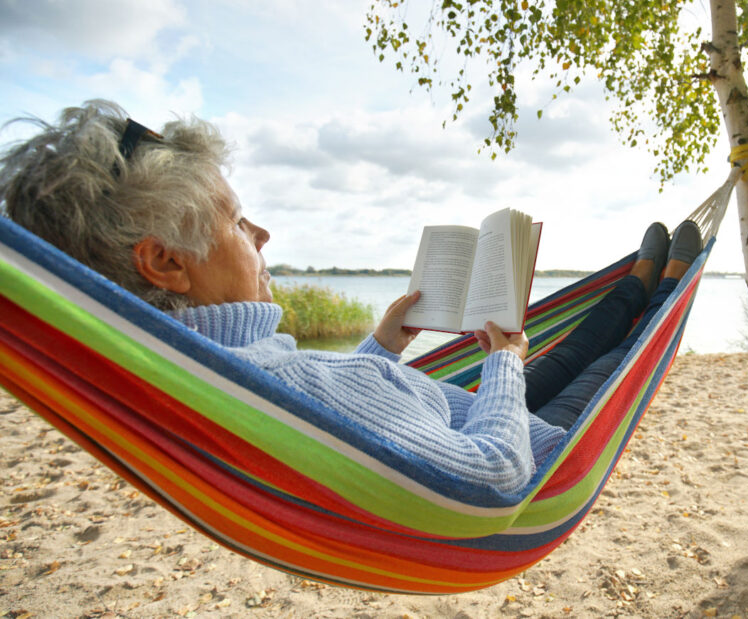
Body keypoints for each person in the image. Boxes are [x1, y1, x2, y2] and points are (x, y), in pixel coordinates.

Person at [0, 100, 702, 495]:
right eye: (238, 223)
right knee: (604, 360)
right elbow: (495, 471)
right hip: (529, 442)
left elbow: (340, 413)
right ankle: (655, 290)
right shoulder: (271, 377)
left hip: (462, 410)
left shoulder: (228, 371)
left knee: (578, 343)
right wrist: (503, 366)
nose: (264, 233)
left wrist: (384, 345)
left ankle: (639, 284)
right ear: (164, 262)